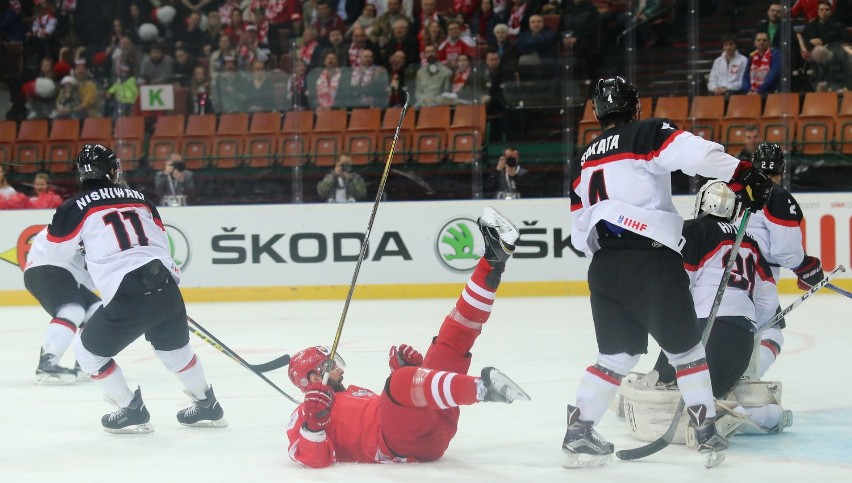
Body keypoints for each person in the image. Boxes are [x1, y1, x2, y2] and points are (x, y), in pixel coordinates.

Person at [565, 76, 773, 468]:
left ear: (596, 112)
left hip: (604, 266)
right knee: (688, 351)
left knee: (616, 354)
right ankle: (707, 433)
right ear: (636, 106)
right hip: (650, 260)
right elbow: (698, 155)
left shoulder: (586, 156)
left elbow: (579, 229)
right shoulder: (647, 131)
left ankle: (577, 433)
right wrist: (745, 173)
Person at [286, 207, 530, 467]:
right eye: (329, 366)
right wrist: (313, 425)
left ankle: (492, 261)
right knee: (398, 382)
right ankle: (482, 389)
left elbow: (402, 412)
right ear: (312, 378)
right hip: (401, 445)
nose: (338, 369)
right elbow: (314, 460)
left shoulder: (356, 392)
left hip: (433, 427)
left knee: (450, 338)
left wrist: (415, 372)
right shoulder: (301, 415)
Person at [43, 144, 226, 433]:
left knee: (88, 354)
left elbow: (53, 256)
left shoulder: (73, 207)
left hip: (127, 294)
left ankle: (132, 409)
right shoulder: (141, 198)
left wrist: (84, 254)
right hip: (164, 284)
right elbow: (159, 243)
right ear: (111, 169)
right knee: (175, 352)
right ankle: (208, 404)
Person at [744, 143, 824, 380]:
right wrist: (807, 268)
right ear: (783, 171)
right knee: (771, 334)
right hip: (756, 278)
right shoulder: (777, 195)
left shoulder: (733, 189)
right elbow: (785, 252)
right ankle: (744, 381)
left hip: (718, 272)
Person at [25, 227, 101, 384]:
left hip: (63, 273)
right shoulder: (85, 219)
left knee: (96, 310)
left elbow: (89, 277)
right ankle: (48, 362)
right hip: (46, 266)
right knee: (73, 310)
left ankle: (87, 363)